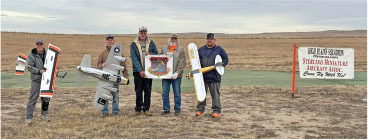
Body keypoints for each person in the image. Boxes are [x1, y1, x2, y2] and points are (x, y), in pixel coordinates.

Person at [195, 33, 228, 118]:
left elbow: (225, 59)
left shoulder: (219, 49)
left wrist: (221, 65)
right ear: (206, 40)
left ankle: (216, 110)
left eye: (212, 39)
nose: (210, 40)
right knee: (201, 94)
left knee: (215, 95)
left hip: (215, 77)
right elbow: (196, 60)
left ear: (214, 40)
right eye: (208, 39)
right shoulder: (201, 50)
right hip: (203, 77)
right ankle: (200, 109)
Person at [97, 34, 129, 116]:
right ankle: (104, 112)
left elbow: (123, 64)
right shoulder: (103, 53)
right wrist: (102, 65)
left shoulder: (118, 53)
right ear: (107, 42)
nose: (110, 41)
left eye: (111, 40)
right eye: (108, 40)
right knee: (105, 95)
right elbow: (98, 65)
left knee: (115, 95)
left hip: (115, 78)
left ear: (114, 41)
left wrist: (126, 76)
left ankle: (115, 112)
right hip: (105, 78)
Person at [130, 26, 158, 116]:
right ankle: (138, 109)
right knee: (138, 91)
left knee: (147, 90)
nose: (143, 34)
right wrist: (140, 71)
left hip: (149, 71)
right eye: (141, 32)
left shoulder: (151, 42)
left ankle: (146, 109)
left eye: (144, 32)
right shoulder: (133, 44)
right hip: (137, 72)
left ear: (146, 33)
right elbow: (134, 58)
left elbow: (156, 53)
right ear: (139, 33)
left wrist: (151, 54)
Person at [25, 39, 52, 124]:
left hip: (46, 81)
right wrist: (39, 71)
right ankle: (28, 118)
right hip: (36, 80)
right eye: (38, 44)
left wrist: (56, 69)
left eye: (41, 44)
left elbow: (54, 64)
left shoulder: (48, 54)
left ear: (44, 45)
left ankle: (44, 116)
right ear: (36, 45)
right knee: (33, 99)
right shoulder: (32, 55)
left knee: (46, 99)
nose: (39, 46)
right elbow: (29, 67)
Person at [160, 34, 186, 116]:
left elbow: (182, 62)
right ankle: (166, 109)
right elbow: (158, 58)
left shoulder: (181, 49)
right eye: (172, 39)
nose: (173, 40)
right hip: (166, 75)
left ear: (177, 40)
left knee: (177, 93)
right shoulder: (164, 48)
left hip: (176, 76)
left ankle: (177, 109)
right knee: (165, 93)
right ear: (169, 39)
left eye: (175, 39)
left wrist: (177, 72)